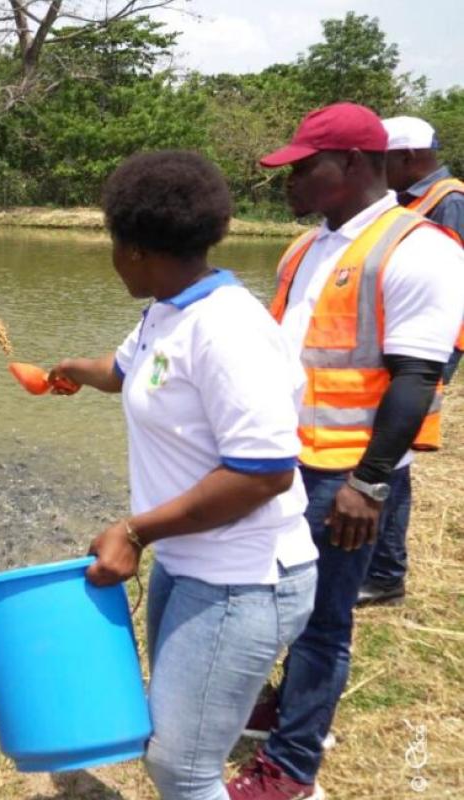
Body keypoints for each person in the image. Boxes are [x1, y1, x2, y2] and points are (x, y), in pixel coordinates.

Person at [48, 150, 318, 800]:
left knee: (182, 766)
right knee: (172, 740)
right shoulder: (167, 309)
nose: (111, 258)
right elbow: (128, 370)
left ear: (136, 248)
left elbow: (263, 472)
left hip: (244, 578)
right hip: (189, 561)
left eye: (113, 243)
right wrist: (70, 372)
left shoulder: (226, 329)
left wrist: (136, 531)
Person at [228, 103, 464, 800]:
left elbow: (417, 378)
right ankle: (282, 705)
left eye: (305, 168)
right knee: (282, 599)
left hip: (345, 474)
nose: (290, 182)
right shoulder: (307, 246)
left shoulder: (418, 248)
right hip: (286, 463)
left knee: (327, 619)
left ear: (355, 165)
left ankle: (294, 766)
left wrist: (372, 482)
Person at [357, 115, 464, 607]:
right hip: (405, 349)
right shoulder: (414, 201)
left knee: (394, 454)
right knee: (387, 451)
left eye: (382, 162)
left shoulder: (449, 204)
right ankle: (378, 562)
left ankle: (386, 573)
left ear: (407, 158)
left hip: (426, 353)